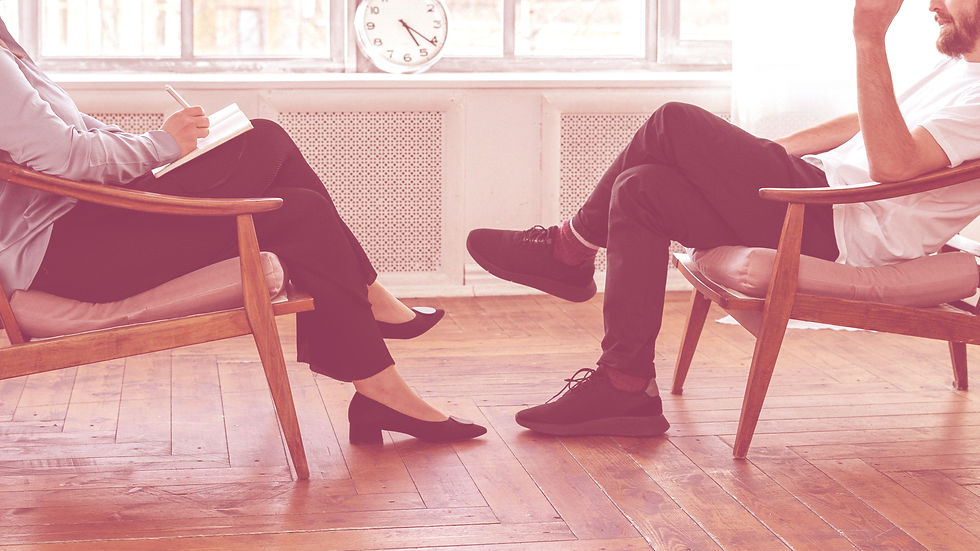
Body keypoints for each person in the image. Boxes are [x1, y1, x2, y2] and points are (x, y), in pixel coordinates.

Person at [467, 0, 980, 437]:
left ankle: (568, 250)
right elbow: (867, 121)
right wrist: (758, 155)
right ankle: (626, 383)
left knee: (673, 120)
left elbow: (893, 165)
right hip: (820, 195)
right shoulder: (957, 68)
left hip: (839, 226)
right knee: (640, 188)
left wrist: (868, 37)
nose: (930, 3)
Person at [0, 18, 485, 445]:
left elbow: (76, 133)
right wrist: (162, 145)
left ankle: (379, 382)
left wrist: (159, 146)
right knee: (280, 169)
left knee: (286, 179)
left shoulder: (7, 46)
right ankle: (371, 318)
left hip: (81, 222)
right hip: (63, 253)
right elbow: (64, 156)